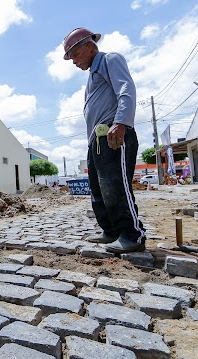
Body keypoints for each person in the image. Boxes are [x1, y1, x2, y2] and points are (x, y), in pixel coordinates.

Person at [63, 27, 146, 253]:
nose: (73, 62)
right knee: (99, 188)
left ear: (89, 47)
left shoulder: (110, 60)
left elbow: (126, 89)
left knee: (116, 185)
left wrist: (121, 123)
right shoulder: (92, 75)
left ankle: (132, 235)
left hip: (114, 133)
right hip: (98, 139)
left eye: (74, 55)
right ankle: (111, 231)